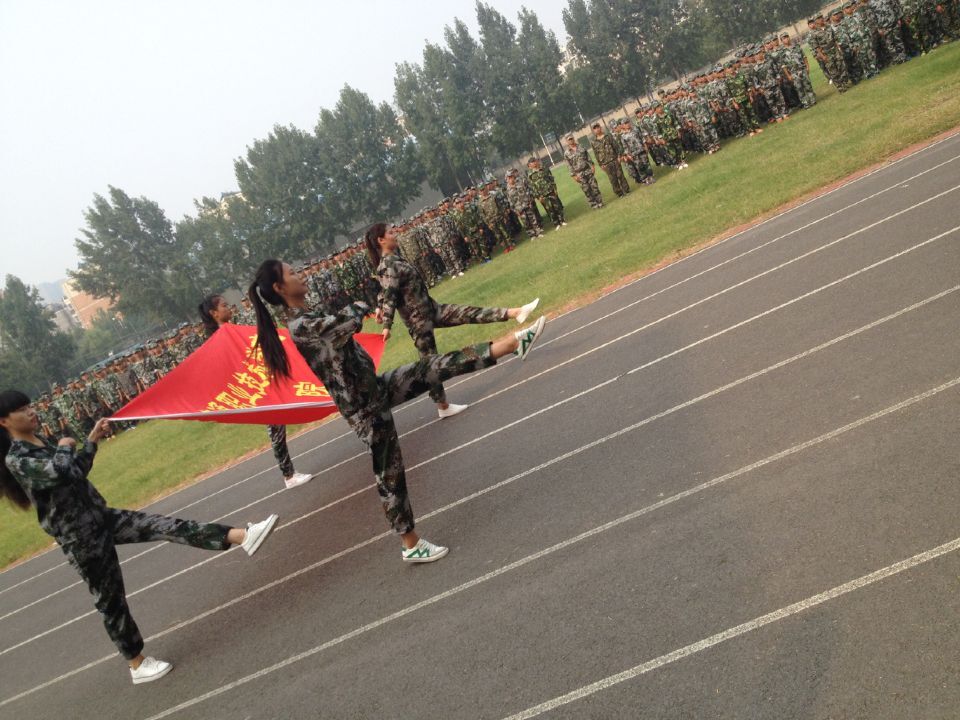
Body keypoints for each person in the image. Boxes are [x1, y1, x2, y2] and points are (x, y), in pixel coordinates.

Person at [248, 259, 545, 563]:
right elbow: (347, 322)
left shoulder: (309, 315)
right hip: (364, 408)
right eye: (292, 273)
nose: (300, 274)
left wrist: (367, 308)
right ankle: (410, 544)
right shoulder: (301, 326)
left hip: (375, 389)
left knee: (433, 367)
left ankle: (511, 344)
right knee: (390, 475)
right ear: (279, 287)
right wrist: (364, 303)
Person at [0, 390, 278, 684]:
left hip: (102, 517)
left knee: (163, 525)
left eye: (30, 405)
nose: (31, 411)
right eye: (22, 409)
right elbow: (58, 471)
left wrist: (91, 441)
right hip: (79, 537)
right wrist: (65, 446)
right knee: (111, 600)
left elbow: (75, 472)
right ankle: (136, 663)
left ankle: (241, 536)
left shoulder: (43, 443)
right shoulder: (17, 458)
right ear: (4, 421)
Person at [364, 222, 540, 418]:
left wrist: (379, 307)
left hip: (432, 309)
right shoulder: (387, 265)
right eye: (390, 232)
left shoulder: (393, 260)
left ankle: (515, 313)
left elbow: (385, 291)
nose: (394, 234)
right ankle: (443, 406)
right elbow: (390, 293)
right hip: (419, 321)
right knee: (431, 366)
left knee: (467, 313)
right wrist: (387, 324)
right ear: (381, 240)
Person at [198, 294, 312, 490]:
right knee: (276, 428)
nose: (229, 307)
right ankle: (289, 475)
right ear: (214, 313)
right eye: (224, 306)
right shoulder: (219, 338)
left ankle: (289, 474)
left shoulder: (233, 330)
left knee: (277, 426)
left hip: (263, 380)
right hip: (254, 387)